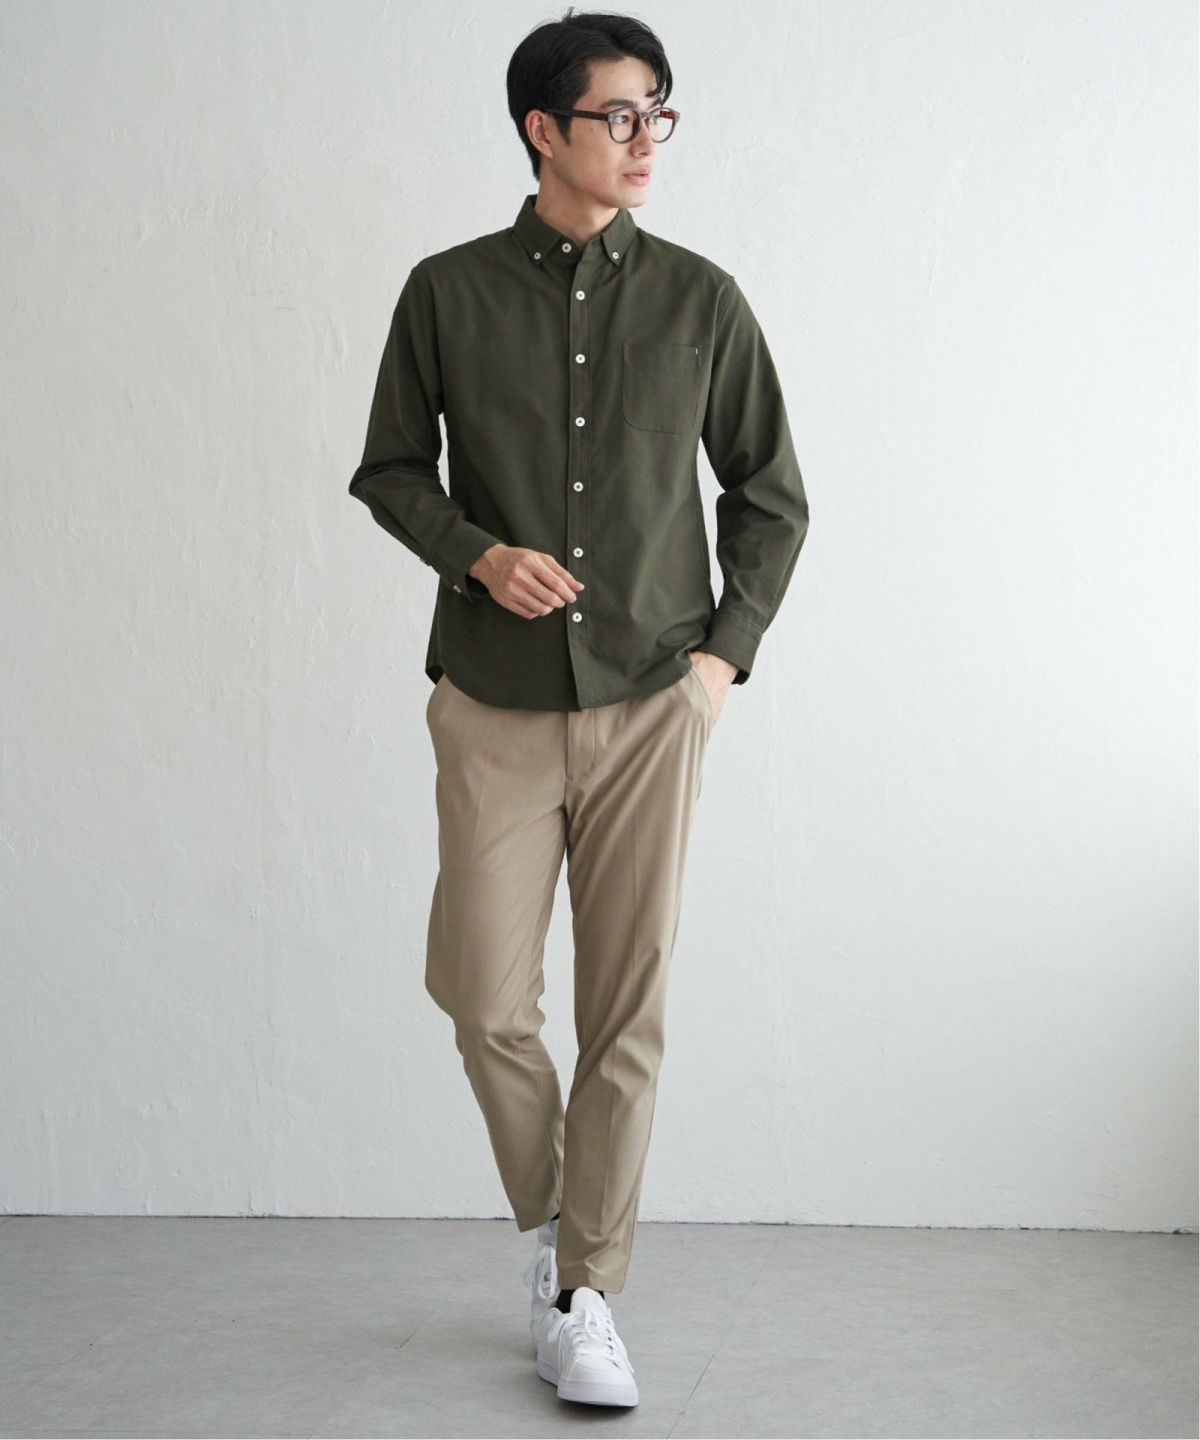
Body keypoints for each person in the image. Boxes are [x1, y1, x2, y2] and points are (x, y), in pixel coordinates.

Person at [348, 6, 809, 1410]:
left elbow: (771, 497)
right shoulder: (446, 292)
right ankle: (562, 1230)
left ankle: (586, 1289)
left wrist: (721, 665)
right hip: (492, 698)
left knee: (627, 1004)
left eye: (658, 112)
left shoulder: (703, 301)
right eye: (619, 113)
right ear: (542, 129)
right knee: (482, 994)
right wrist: (476, 554)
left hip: (653, 696)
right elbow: (388, 469)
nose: (645, 138)